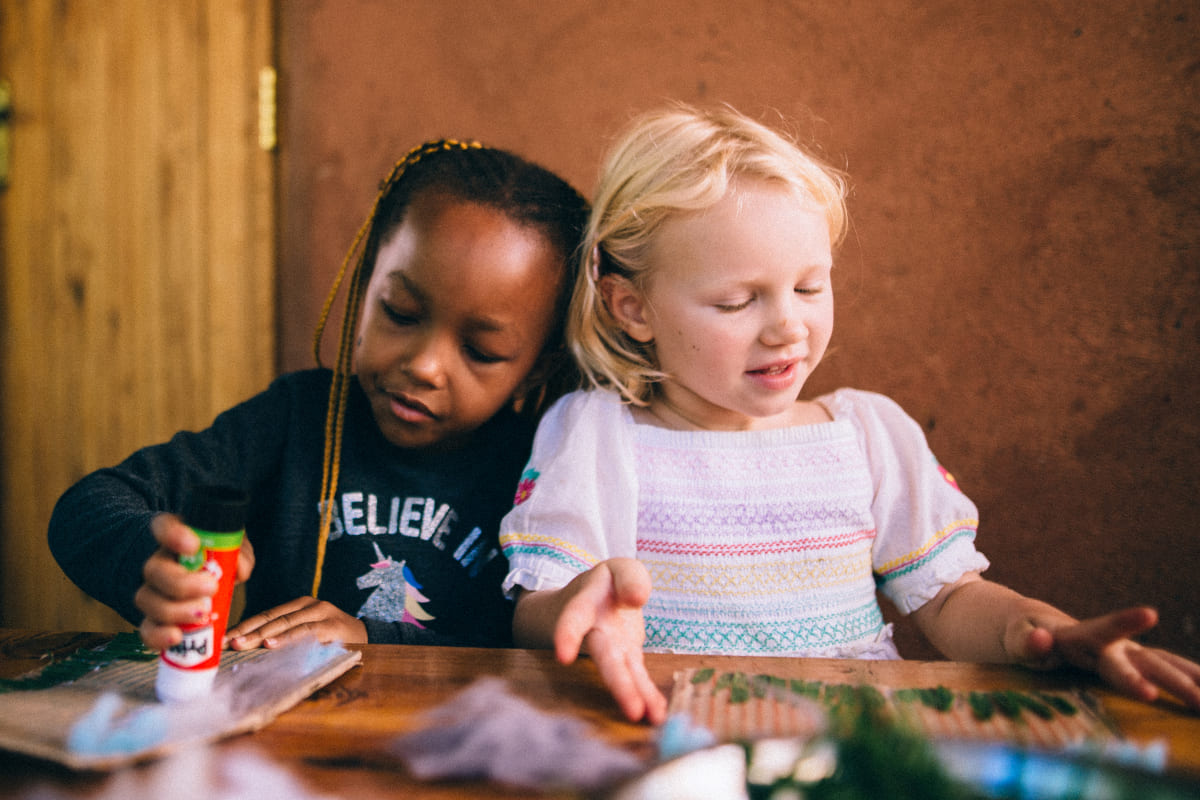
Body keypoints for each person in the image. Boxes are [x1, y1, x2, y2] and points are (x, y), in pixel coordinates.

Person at [497, 105, 1200, 725]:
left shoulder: (867, 434)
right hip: (672, 743)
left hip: (861, 746)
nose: (786, 328)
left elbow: (951, 599)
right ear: (634, 308)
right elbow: (542, 609)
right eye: (737, 302)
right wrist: (580, 608)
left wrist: (1038, 634)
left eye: (808, 287)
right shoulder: (600, 436)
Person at [49, 139, 588, 652]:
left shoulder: (543, 469)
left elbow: (520, 648)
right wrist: (147, 560)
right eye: (399, 312)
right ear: (367, 277)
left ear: (537, 367)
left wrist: (371, 640)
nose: (424, 366)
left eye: (481, 351)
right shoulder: (297, 419)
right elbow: (87, 507)